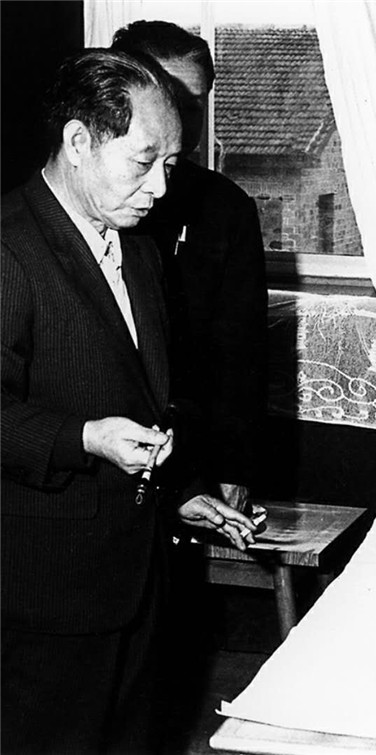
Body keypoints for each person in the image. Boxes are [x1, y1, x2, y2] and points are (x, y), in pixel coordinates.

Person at [1, 49, 255, 754]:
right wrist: (85, 437)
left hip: (139, 581)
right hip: (43, 594)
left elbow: (145, 396)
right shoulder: (8, 249)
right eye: (144, 161)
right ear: (79, 141)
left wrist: (181, 490)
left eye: (170, 164)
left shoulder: (138, 247)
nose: (160, 187)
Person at [111, 20, 270, 512]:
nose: (179, 120)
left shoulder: (227, 209)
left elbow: (240, 354)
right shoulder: (89, 202)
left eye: (194, 104)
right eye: (167, 99)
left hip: (193, 461)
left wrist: (233, 469)